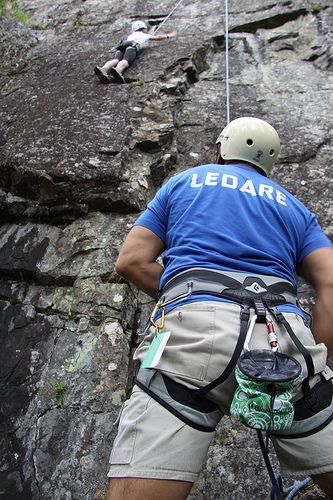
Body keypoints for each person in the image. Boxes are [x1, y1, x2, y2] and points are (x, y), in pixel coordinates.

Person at [107, 117, 333, 500]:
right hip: (285, 339)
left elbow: (131, 261)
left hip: (193, 335)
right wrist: (321, 364)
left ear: (221, 150)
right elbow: (330, 283)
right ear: (268, 165)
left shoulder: (184, 182)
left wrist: (185, 291)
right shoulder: (295, 208)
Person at [94, 20, 177, 84]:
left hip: (122, 46)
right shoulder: (144, 35)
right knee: (126, 60)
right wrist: (169, 35)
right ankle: (118, 70)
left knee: (116, 60)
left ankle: (104, 69)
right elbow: (158, 37)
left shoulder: (131, 35)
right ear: (143, 28)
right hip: (131, 47)